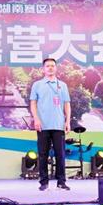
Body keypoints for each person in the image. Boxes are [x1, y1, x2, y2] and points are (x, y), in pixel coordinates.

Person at [29, 58, 71, 191]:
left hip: (58, 125)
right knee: (43, 155)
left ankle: (61, 182)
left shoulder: (62, 85)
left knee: (60, 155)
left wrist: (67, 121)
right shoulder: (37, 85)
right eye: (47, 66)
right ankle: (43, 182)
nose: (50, 68)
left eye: (53, 66)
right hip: (43, 125)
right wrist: (36, 119)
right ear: (43, 69)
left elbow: (67, 104)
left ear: (56, 68)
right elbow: (33, 103)